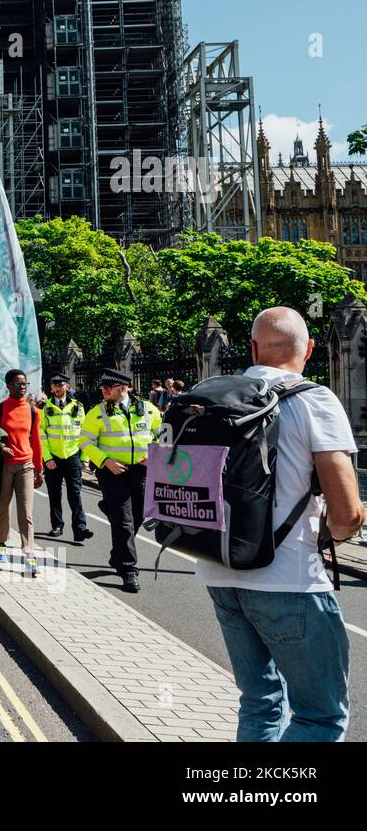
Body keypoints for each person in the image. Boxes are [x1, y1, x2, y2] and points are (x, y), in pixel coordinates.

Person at [198, 307, 364, 742]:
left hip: (219, 570)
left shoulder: (210, 393)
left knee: (260, 702)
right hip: (289, 578)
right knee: (320, 717)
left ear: (251, 348)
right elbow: (347, 513)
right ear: (310, 349)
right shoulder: (315, 400)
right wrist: (336, 532)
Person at [79, 367, 162, 593]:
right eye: (102, 387)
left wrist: (154, 455)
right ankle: (128, 571)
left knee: (137, 517)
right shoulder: (97, 412)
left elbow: (166, 434)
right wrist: (105, 460)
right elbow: (85, 442)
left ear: (123, 388)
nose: (103, 390)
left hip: (141, 471)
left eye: (108, 387)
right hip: (112, 473)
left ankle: (118, 556)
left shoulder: (148, 409)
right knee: (124, 522)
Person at [0, 369, 44, 577]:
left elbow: (36, 441)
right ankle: (1, 543)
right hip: (4, 466)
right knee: (3, 507)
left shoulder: (33, 411)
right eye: (17, 384)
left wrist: (39, 468)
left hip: (26, 466)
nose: (22, 387)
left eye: (24, 384)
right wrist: (0, 448)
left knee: (26, 512)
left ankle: (29, 554)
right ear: (8, 386)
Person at [39, 374, 92, 543]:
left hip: (72, 456)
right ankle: (57, 525)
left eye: (61, 385)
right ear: (51, 388)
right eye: (55, 386)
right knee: (55, 494)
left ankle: (80, 528)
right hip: (53, 457)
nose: (58, 388)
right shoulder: (45, 408)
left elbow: (85, 433)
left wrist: (84, 457)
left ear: (67, 386)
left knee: (75, 493)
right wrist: (47, 458)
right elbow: (42, 436)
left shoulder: (78, 406)